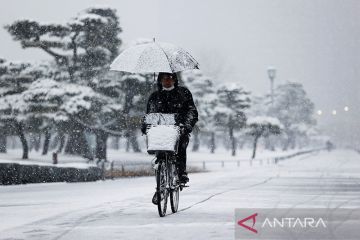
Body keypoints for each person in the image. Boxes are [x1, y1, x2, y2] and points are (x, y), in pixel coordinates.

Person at [141, 72, 198, 204]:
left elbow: (192, 112)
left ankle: (181, 173)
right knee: (160, 155)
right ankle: (160, 189)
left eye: (171, 78)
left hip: (179, 129)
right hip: (160, 131)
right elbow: (150, 114)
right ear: (160, 80)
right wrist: (145, 126)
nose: (168, 81)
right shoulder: (154, 96)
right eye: (165, 78)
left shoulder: (184, 94)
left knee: (181, 146)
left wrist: (186, 125)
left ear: (175, 80)